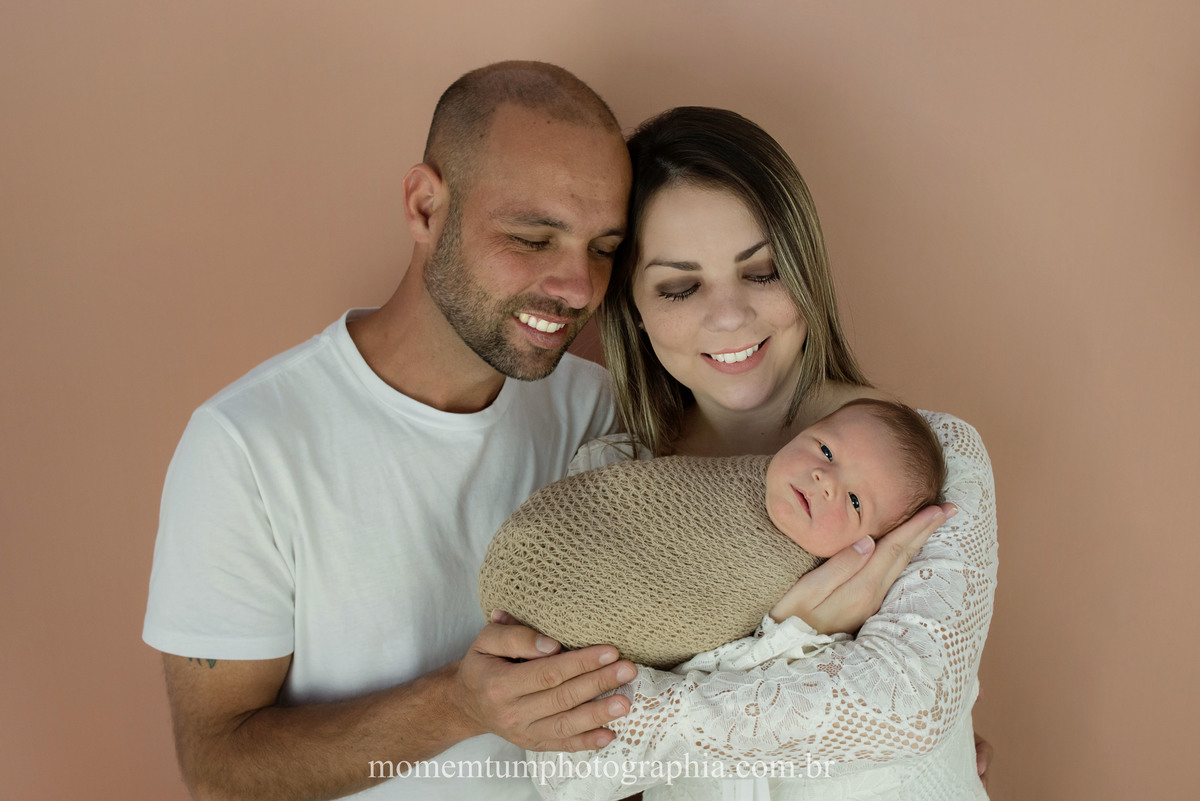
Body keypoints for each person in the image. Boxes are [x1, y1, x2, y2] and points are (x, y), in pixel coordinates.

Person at [142, 61, 643, 801]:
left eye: (603, 248)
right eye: (533, 237)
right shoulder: (246, 445)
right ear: (424, 207)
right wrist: (455, 704)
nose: (578, 288)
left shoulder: (597, 413)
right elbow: (218, 767)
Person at [534, 107, 997, 800]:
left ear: (805, 268)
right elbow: (566, 771)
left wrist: (667, 701)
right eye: (680, 286)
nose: (730, 317)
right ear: (631, 305)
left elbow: (907, 708)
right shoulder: (613, 479)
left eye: (762, 272)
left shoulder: (932, 458)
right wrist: (797, 633)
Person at [479, 398, 946, 671]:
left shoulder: (831, 596)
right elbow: (635, 501)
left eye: (855, 502)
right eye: (825, 449)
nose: (825, 478)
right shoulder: (722, 472)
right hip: (554, 547)